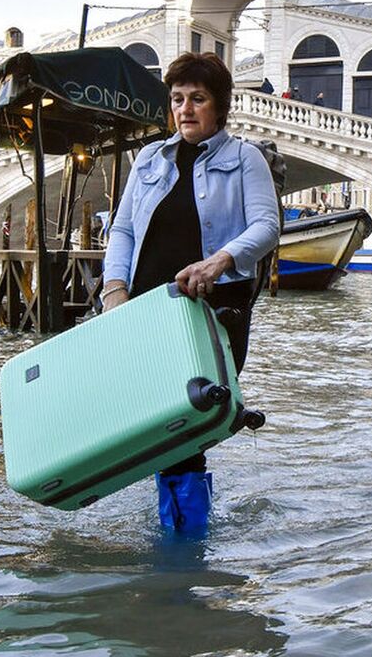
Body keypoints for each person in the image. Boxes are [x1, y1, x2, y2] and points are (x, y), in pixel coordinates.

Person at [101, 52, 280, 533]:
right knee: (160, 425)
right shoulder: (148, 160)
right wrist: (114, 289)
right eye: (177, 99)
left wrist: (219, 260)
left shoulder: (246, 158)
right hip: (147, 311)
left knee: (185, 427)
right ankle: (181, 536)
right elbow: (121, 232)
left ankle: (183, 549)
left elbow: (266, 227)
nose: (185, 109)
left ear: (219, 107)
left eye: (197, 99)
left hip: (216, 309)